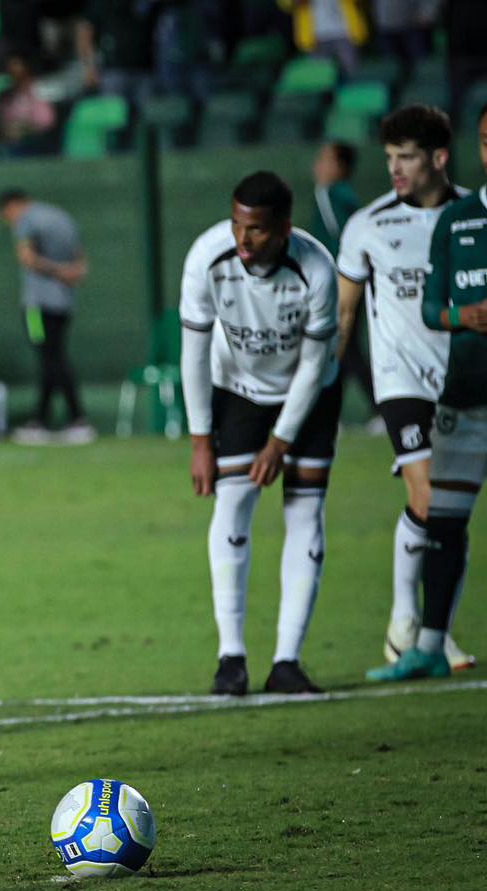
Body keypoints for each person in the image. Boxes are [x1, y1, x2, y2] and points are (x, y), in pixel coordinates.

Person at [180, 171, 340, 696]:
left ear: (285, 229)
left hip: (308, 395)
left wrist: (282, 441)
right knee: (231, 507)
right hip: (239, 392)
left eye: (257, 230)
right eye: (236, 225)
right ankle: (231, 659)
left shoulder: (316, 269)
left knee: (305, 512)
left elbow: (315, 365)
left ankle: (287, 662)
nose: (243, 240)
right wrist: (201, 439)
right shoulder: (207, 257)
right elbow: (194, 353)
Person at [336, 105, 476, 673]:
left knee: (450, 520)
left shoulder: (474, 219)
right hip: (400, 383)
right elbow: (345, 313)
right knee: (429, 499)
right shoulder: (367, 225)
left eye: (407, 158)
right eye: (389, 158)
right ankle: (405, 624)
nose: (394, 169)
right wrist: (324, 380)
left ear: (438, 158)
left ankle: (433, 631)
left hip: (465, 381)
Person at [0, 189, 93, 444]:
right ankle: (43, 420)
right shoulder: (62, 217)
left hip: (37, 305)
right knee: (53, 357)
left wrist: (58, 271)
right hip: (64, 303)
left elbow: (26, 258)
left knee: (51, 359)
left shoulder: (27, 220)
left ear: (12, 205)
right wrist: (70, 272)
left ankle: (75, 418)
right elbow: (81, 263)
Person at [309, 140, 372, 417]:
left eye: (325, 160)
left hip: (342, 282)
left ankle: (380, 410)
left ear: (341, 167)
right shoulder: (345, 195)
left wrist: (337, 279)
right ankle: (333, 412)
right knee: (344, 350)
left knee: (345, 348)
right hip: (351, 278)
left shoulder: (330, 193)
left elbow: (347, 239)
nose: (318, 166)